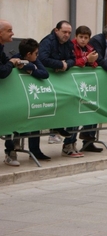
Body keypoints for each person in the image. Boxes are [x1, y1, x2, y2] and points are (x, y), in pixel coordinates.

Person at [79, 21, 107, 152]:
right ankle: (84, 136)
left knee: (96, 109)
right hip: (89, 80)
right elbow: (100, 60)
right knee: (89, 108)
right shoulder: (97, 41)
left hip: (100, 82)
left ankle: (89, 141)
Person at [39, 20, 79, 155]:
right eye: (64, 32)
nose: (67, 35)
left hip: (62, 80)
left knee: (67, 104)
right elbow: (42, 59)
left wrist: (66, 64)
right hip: (45, 80)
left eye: (69, 32)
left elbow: (73, 59)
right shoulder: (48, 41)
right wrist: (58, 64)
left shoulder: (68, 44)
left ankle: (60, 127)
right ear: (56, 31)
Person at [10, 39, 52, 162]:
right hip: (18, 98)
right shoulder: (15, 58)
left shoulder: (34, 60)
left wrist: (30, 68)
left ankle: (35, 150)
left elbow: (45, 74)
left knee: (35, 121)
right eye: (36, 53)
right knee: (15, 123)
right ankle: (12, 149)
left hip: (32, 98)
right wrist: (24, 67)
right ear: (28, 54)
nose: (37, 55)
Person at [62, 25, 99, 158]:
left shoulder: (90, 49)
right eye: (80, 37)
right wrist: (86, 60)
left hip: (84, 87)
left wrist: (92, 61)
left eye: (86, 38)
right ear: (76, 37)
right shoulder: (71, 47)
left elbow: (94, 64)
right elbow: (73, 62)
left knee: (79, 116)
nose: (83, 40)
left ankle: (73, 144)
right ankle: (67, 145)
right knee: (73, 117)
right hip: (72, 85)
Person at [0, 19, 23, 166]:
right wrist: (11, 63)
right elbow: (2, 71)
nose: (12, 33)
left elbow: (5, 61)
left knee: (9, 119)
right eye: (9, 30)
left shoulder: (1, 47)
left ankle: (10, 152)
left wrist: (13, 62)